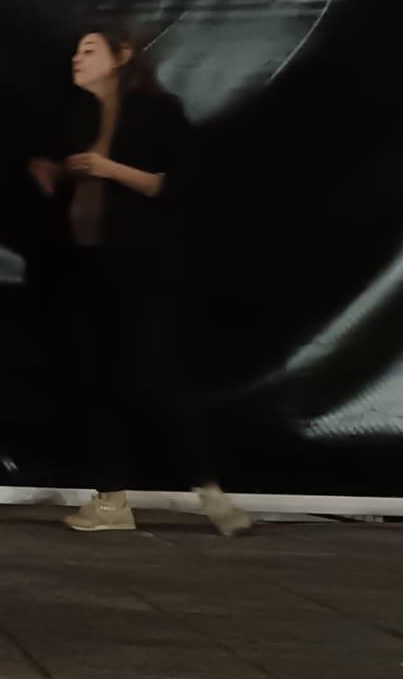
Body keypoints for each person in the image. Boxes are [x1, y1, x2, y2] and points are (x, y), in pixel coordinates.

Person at [29, 30, 250, 536]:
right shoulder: (77, 116)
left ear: (122, 55)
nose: (77, 58)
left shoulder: (157, 111)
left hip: (141, 267)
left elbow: (173, 184)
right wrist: (53, 174)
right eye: (75, 50)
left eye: (89, 50)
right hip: (86, 267)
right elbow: (67, 180)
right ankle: (111, 501)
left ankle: (211, 492)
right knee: (93, 378)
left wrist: (107, 168)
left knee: (152, 373)